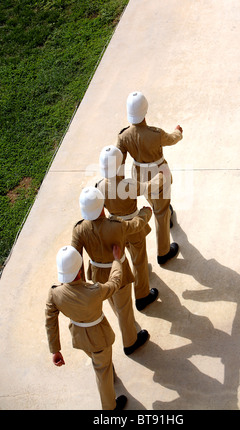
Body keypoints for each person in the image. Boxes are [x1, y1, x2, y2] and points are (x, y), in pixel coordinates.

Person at [45, 244, 127, 411]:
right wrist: (117, 260)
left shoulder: (54, 293)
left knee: (99, 362)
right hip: (99, 337)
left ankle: (110, 374)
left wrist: (55, 350)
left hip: (79, 337)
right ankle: (110, 409)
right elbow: (115, 283)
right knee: (101, 371)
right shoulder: (94, 290)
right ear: (80, 270)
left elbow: (50, 320)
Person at [71, 186, 152, 355]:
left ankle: (125, 323)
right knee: (124, 306)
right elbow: (135, 225)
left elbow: (76, 258)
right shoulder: (115, 225)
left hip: (97, 274)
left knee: (114, 304)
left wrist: (82, 284)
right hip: (118, 272)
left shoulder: (79, 229)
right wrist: (146, 213)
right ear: (102, 207)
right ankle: (131, 341)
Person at [117, 91, 183, 265]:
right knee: (160, 212)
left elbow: (119, 161)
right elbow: (171, 139)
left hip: (139, 176)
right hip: (159, 175)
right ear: (145, 111)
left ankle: (166, 212)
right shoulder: (155, 133)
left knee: (154, 201)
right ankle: (164, 252)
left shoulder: (123, 136)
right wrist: (178, 132)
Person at [96, 144, 161, 311]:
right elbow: (149, 187)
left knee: (123, 253)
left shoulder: (98, 186)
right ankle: (142, 296)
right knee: (139, 259)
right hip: (133, 225)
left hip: (114, 227)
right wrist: (160, 177)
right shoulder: (128, 184)